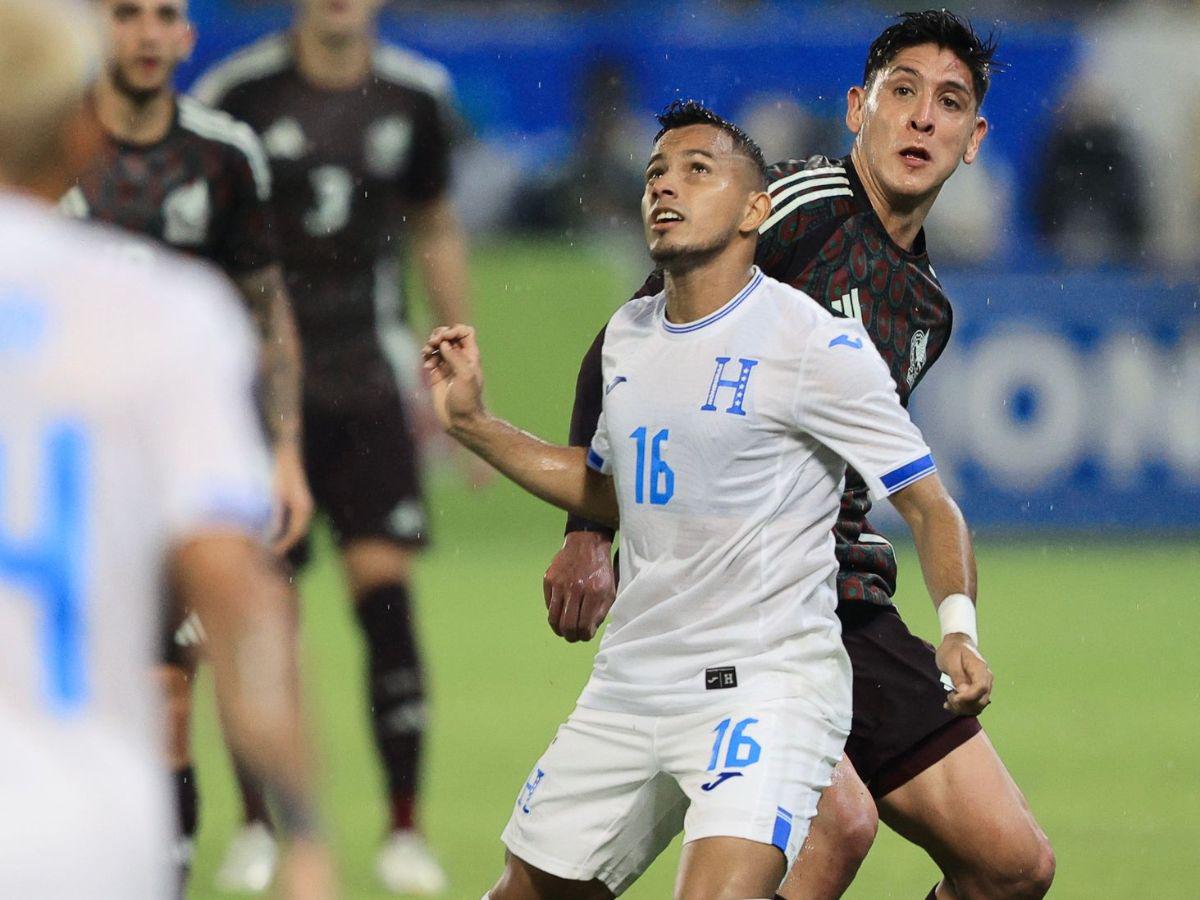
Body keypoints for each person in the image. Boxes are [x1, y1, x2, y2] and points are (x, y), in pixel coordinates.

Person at [544, 11, 1056, 900]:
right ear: (859, 108)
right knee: (840, 828)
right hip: (747, 598)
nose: (922, 119)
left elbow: (890, 481)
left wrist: (958, 626)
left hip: (847, 595)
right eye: (902, 93)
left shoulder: (927, 308)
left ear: (975, 141)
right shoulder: (793, 208)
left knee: (1011, 867)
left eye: (949, 104)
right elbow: (626, 340)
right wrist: (590, 528)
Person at [423, 100, 989, 900]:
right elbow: (615, 492)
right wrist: (475, 426)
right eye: (656, 172)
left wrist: (957, 629)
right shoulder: (630, 336)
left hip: (765, 685)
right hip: (634, 678)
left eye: (697, 170)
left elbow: (930, 504)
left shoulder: (814, 345)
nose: (666, 187)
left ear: (756, 208)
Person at [0, 1, 331, 898]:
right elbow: (234, 591)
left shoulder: (218, 173)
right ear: (81, 133)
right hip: (81, 828)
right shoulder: (165, 318)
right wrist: (303, 832)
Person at [193, 0, 472, 891]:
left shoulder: (418, 96)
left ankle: (403, 831)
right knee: (258, 614)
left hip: (369, 378)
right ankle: (256, 825)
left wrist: (459, 365)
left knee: (384, 600)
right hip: (261, 392)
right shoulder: (237, 95)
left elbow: (434, 224)